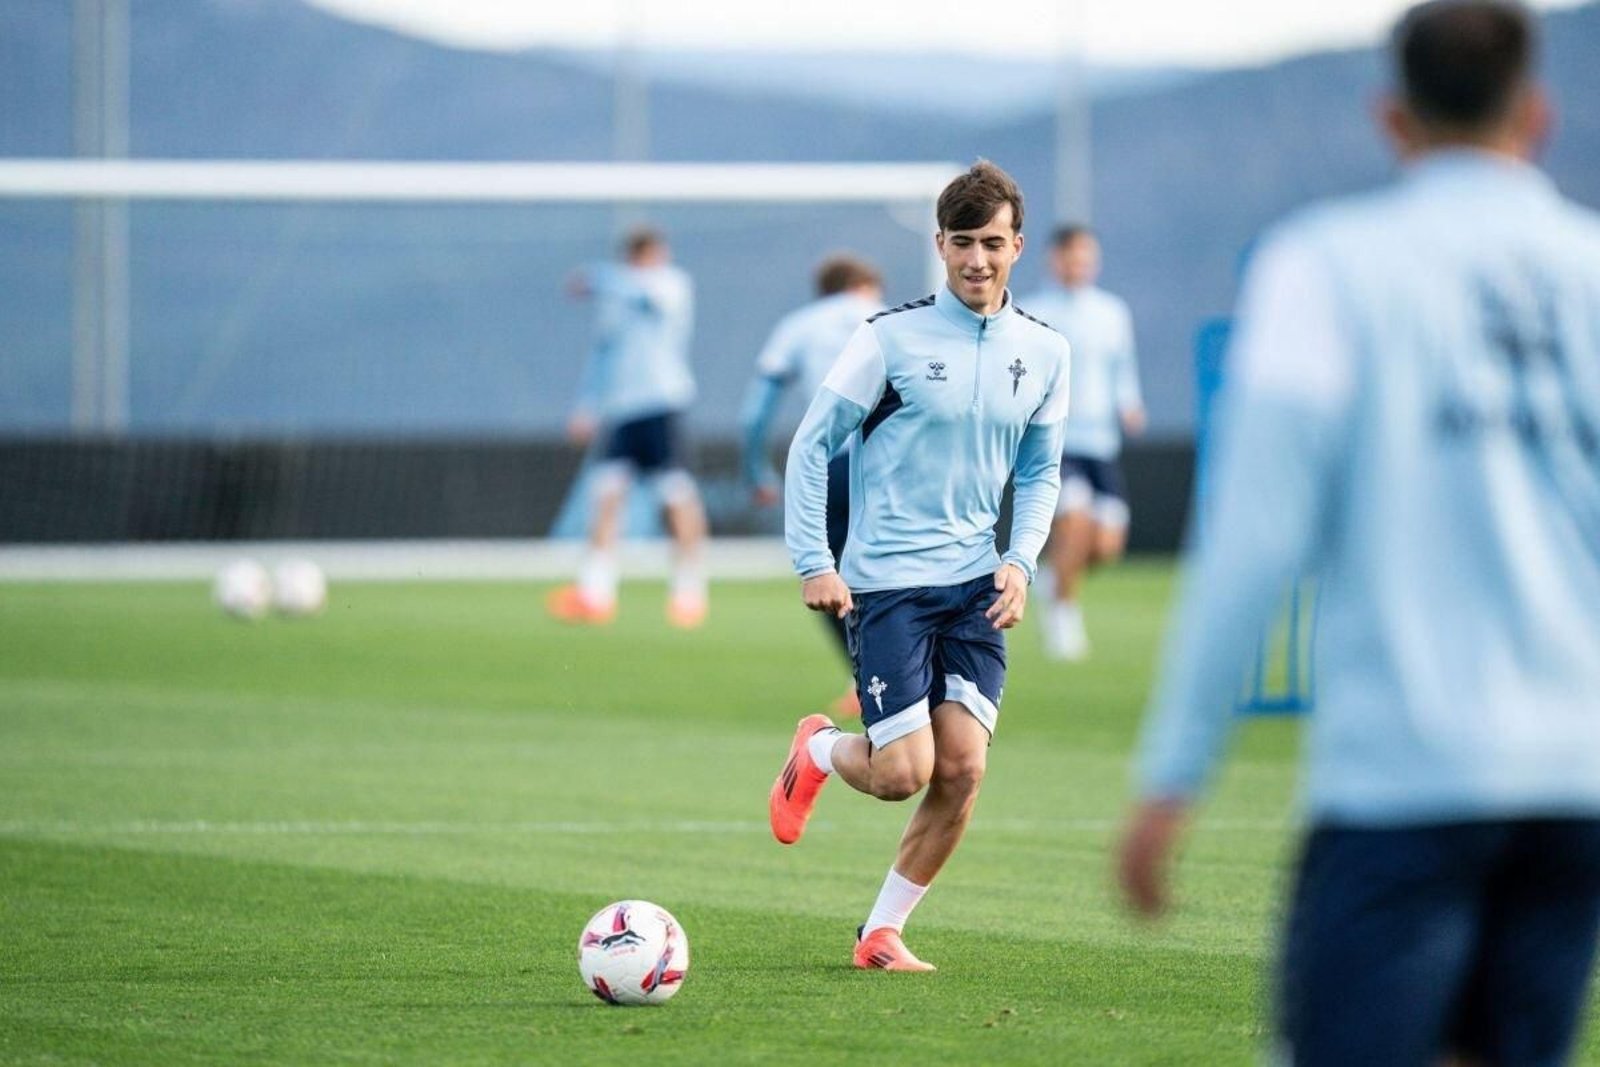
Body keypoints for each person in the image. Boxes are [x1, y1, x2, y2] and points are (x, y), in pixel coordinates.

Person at [1116, 3, 1600, 1063]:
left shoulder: (1325, 266)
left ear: (1392, 118)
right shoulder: (1589, 270)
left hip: (1403, 778)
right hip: (1572, 784)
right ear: (1539, 114)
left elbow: (1252, 543)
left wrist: (1172, 772)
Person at [770, 161, 1071, 971]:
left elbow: (1041, 471)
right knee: (905, 771)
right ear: (940, 244)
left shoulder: (1045, 351)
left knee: (964, 767)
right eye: (963, 243)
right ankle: (823, 749)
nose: (978, 260)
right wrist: (815, 560)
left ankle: (881, 933)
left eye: (994, 243)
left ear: (1018, 245)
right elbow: (810, 445)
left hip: (977, 583)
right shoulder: (888, 339)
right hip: (890, 585)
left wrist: (1020, 560)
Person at [738, 255, 885, 715]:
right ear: (865, 284)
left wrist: (756, 469)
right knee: (894, 573)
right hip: (888, 469)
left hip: (830, 466)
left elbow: (755, 410)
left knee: (829, 577)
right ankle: (904, 676)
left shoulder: (798, 326)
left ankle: (865, 677)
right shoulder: (890, 319)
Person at [546, 227, 709, 629]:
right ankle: (596, 594)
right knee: (605, 497)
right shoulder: (615, 299)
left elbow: (646, 296)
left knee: (676, 498)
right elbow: (604, 352)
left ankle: (689, 593)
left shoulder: (671, 284)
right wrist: (586, 405)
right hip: (621, 411)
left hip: (661, 405)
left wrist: (600, 278)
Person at [1023, 226, 1145, 660]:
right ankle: (1063, 617)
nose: (1077, 265)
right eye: (1069, 257)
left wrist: (1129, 403)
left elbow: (1122, 365)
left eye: (1085, 257)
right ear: (1053, 260)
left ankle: (1056, 580)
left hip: (1101, 443)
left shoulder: (1113, 312)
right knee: (1073, 519)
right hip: (1056, 440)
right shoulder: (1033, 311)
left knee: (1106, 545)